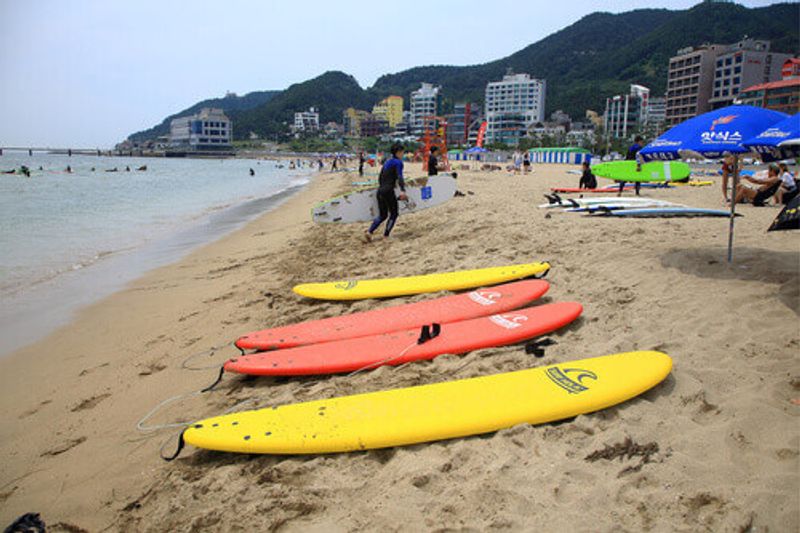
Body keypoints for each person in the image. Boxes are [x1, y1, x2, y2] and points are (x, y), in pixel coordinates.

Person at [365, 143, 407, 241]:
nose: (403, 154)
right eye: (402, 152)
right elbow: (400, 177)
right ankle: (386, 236)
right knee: (394, 213)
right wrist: (403, 191)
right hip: (388, 191)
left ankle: (369, 231)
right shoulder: (398, 162)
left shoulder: (387, 162)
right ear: (398, 152)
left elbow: (381, 177)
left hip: (380, 191)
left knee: (383, 215)